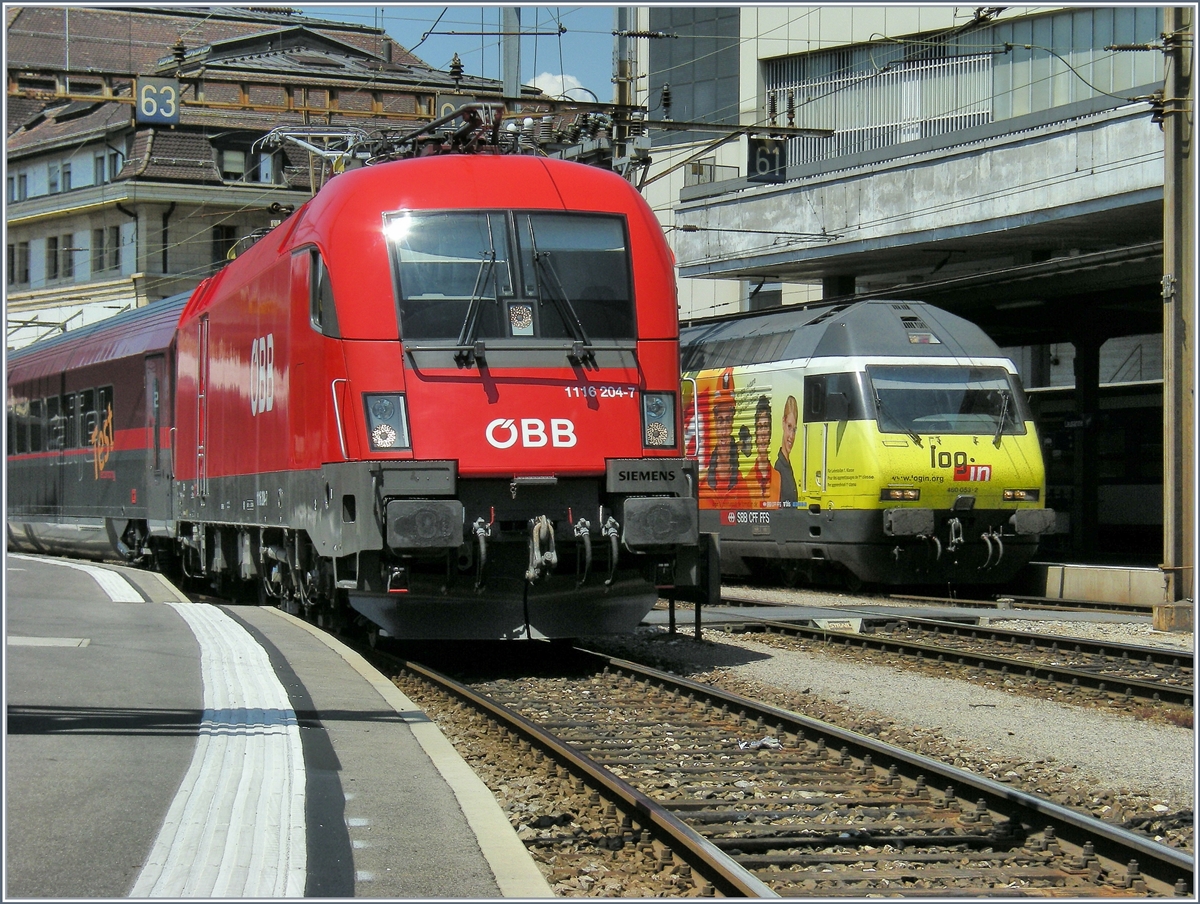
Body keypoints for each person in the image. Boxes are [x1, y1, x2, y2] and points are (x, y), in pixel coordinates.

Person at [774, 395, 799, 504]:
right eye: (789, 427)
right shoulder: (778, 469)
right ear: (783, 423)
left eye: (794, 430)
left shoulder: (788, 467)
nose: (791, 436)